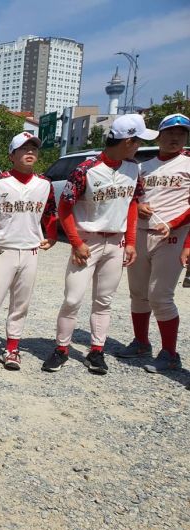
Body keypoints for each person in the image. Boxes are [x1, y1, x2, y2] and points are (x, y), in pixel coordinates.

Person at [41, 114, 155, 374]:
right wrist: (75, 242)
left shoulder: (132, 168)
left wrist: (131, 242)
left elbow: (132, 204)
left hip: (115, 243)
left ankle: (96, 351)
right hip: (87, 242)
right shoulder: (86, 169)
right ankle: (61, 349)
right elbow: (65, 207)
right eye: (137, 141)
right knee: (72, 299)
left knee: (104, 301)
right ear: (127, 141)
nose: (138, 146)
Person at [0, 132, 58, 371]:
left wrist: (52, 236)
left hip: (30, 250)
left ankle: (12, 348)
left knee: (21, 304)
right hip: (2, 249)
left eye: (34, 148)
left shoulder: (44, 184)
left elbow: (50, 214)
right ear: (12, 154)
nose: (30, 152)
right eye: (24, 148)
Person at [118, 113, 190, 373]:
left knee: (160, 295)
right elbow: (130, 200)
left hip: (171, 236)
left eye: (181, 133)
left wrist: (175, 225)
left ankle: (170, 353)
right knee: (138, 293)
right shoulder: (143, 167)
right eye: (170, 132)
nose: (175, 137)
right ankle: (141, 342)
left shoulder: (187, 164)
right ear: (159, 135)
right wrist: (139, 204)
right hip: (141, 233)